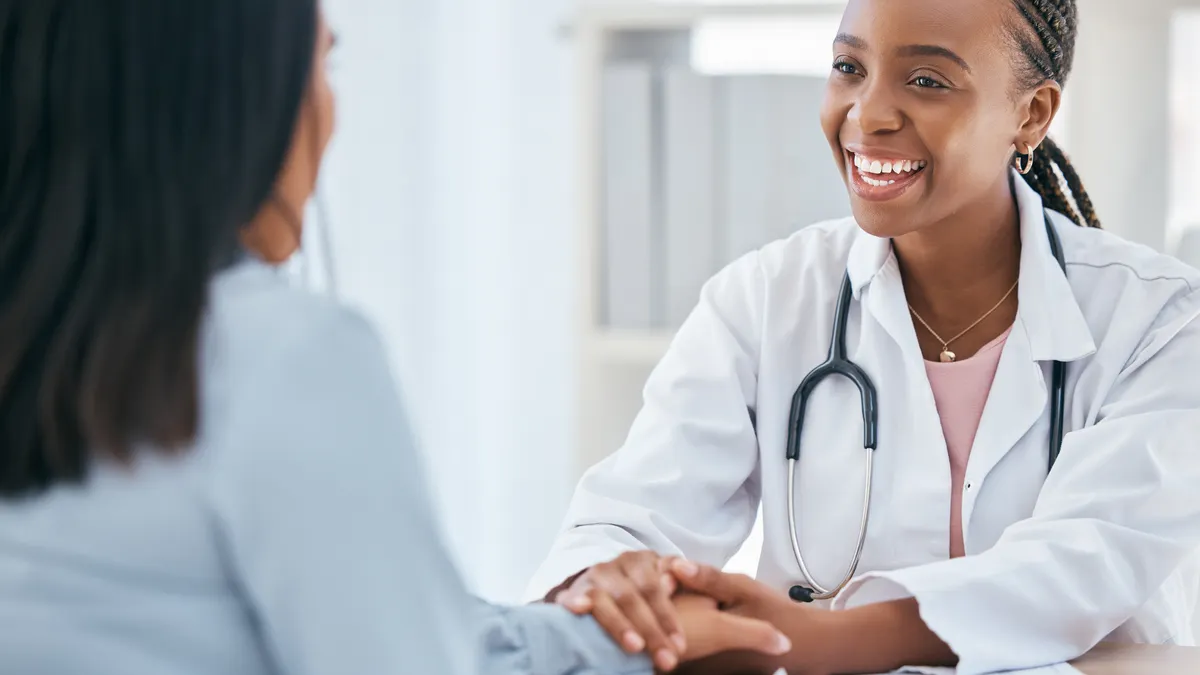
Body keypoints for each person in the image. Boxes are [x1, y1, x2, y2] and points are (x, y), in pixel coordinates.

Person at [0, 2, 795, 674]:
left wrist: (598, 639)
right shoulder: (281, 356)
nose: (328, 114)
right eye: (322, 69)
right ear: (231, 102)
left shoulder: (48, 342)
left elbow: (399, 626)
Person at [529, 0, 1200, 673]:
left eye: (928, 81)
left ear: (1032, 114)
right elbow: (633, 511)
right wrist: (610, 581)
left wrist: (819, 638)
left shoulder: (1159, 320)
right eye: (849, 67)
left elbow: (1090, 562)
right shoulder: (765, 299)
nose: (868, 113)